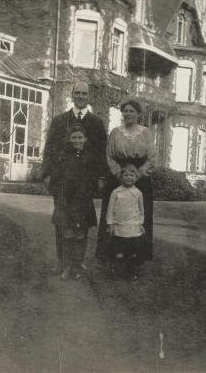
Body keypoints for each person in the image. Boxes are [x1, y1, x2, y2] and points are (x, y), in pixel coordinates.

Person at [42, 81, 107, 277]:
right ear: (72, 95)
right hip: (62, 183)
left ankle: (77, 263)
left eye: (84, 93)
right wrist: (46, 174)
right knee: (63, 222)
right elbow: (49, 150)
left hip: (85, 184)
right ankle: (63, 263)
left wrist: (101, 177)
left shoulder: (96, 123)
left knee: (82, 223)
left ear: (88, 96)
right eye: (77, 93)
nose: (80, 96)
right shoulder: (60, 120)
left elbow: (101, 152)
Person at [96, 99, 156, 266]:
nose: (129, 114)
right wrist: (119, 174)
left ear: (138, 114)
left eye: (132, 111)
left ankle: (136, 259)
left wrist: (138, 174)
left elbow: (151, 157)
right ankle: (113, 258)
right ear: (122, 113)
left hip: (140, 178)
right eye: (126, 111)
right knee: (115, 214)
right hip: (118, 178)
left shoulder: (146, 133)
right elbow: (109, 155)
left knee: (138, 215)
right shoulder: (115, 133)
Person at [47, 124, 98, 280]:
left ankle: (77, 265)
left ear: (85, 139)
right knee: (66, 235)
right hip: (66, 202)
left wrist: (88, 193)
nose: (77, 140)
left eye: (80, 137)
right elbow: (55, 179)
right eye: (74, 137)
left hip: (83, 203)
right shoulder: (62, 157)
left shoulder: (90, 158)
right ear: (69, 139)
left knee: (80, 235)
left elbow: (94, 181)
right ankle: (66, 266)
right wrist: (59, 194)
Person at [106, 164, 145, 280]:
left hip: (133, 227)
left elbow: (141, 211)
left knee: (132, 252)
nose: (129, 177)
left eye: (131, 175)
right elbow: (110, 210)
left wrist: (140, 223)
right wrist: (110, 224)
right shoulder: (116, 192)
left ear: (135, 177)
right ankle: (117, 272)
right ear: (121, 177)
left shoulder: (138, 193)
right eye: (126, 175)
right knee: (119, 251)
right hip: (119, 227)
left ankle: (131, 272)